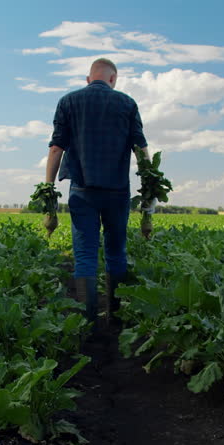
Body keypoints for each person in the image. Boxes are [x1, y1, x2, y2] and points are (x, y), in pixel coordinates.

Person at [44, 58, 150, 330]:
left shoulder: (68, 102)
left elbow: (56, 148)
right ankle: (115, 319)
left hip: (82, 190)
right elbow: (141, 150)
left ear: (88, 79)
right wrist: (148, 196)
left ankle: (87, 324)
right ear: (113, 79)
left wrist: (49, 191)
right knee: (116, 252)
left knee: (86, 256)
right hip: (117, 191)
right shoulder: (127, 103)